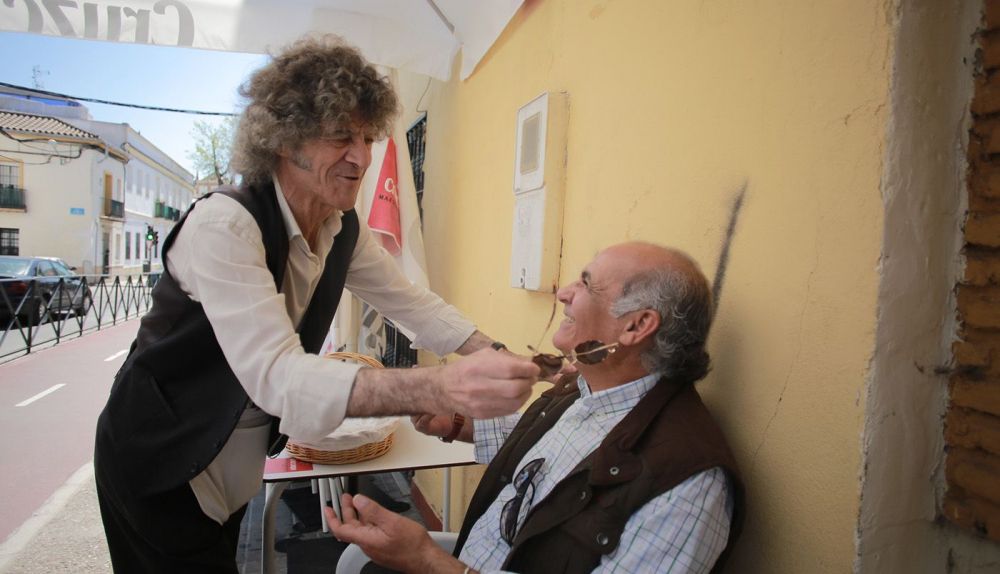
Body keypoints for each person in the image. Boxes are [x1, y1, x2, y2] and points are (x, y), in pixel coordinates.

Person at [93, 36, 539, 573]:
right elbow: (277, 376)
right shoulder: (225, 224)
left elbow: (412, 304)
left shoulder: (340, 226)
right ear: (284, 139)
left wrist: (497, 353)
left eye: (367, 137)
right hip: (159, 462)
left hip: (229, 472)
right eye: (340, 137)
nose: (362, 157)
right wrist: (440, 386)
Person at [326, 242, 746, 573]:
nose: (564, 293)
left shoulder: (688, 485)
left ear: (637, 326)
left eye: (586, 284)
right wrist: (455, 423)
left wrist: (427, 560)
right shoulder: (589, 391)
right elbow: (556, 452)